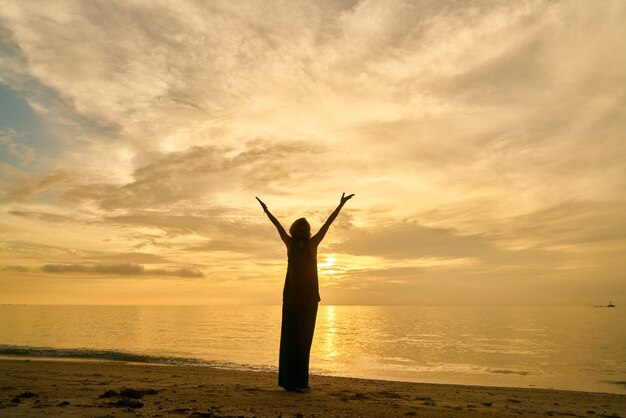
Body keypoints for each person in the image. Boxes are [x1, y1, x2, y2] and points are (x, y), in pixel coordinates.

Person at [256, 193, 355, 393]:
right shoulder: (312, 245)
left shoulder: (290, 244)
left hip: (291, 301)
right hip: (309, 301)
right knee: (303, 343)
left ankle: (288, 382)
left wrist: (266, 211)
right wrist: (340, 204)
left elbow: (277, 226)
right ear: (308, 231)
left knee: (289, 342)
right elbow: (328, 224)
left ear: (294, 230)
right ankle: (300, 383)